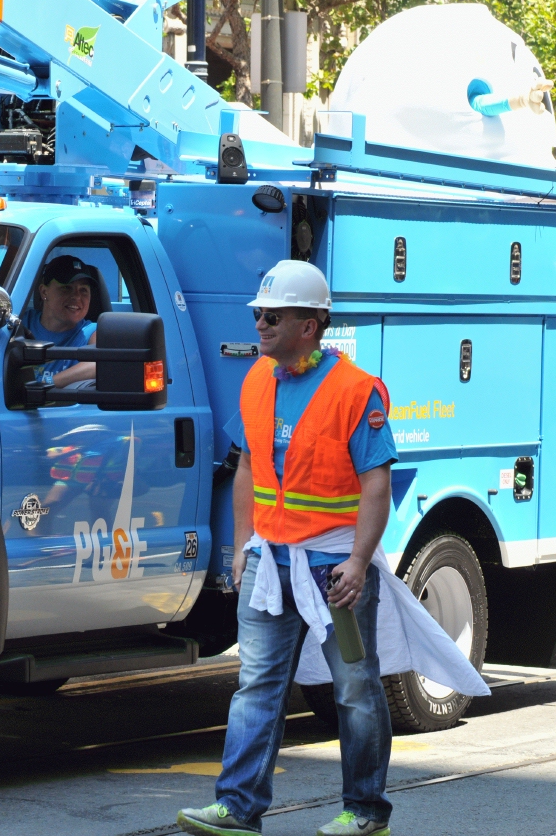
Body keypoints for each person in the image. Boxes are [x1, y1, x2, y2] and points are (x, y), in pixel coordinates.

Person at [177, 260, 488, 836]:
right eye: (259, 315)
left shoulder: (354, 390)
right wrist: (243, 546)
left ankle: (366, 811)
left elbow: (376, 482)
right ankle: (238, 808)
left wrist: (359, 562)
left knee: (355, 691)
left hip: (333, 570)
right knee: (256, 686)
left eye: (273, 316)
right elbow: (247, 467)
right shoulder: (256, 380)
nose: (261, 323)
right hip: (272, 565)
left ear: (311, 325)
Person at [18, 255, 99, 388]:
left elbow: (97, 363)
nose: (77, 296)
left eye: (83, 290)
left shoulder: (92, 331)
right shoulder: (21, 323)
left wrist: (47, 384)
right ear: (44, 292)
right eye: (67, 287)